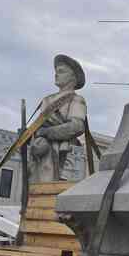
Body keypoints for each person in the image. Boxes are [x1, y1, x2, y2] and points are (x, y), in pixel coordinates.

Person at [29, 54, 87, 183]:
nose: (56, 75)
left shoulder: (76, 100)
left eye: (61, 71)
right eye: (56, 72)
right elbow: (38, 126)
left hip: (61, 153)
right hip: (39, 151)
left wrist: (47, 132)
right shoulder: (46, 100)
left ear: (73, 77)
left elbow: (77, 126)